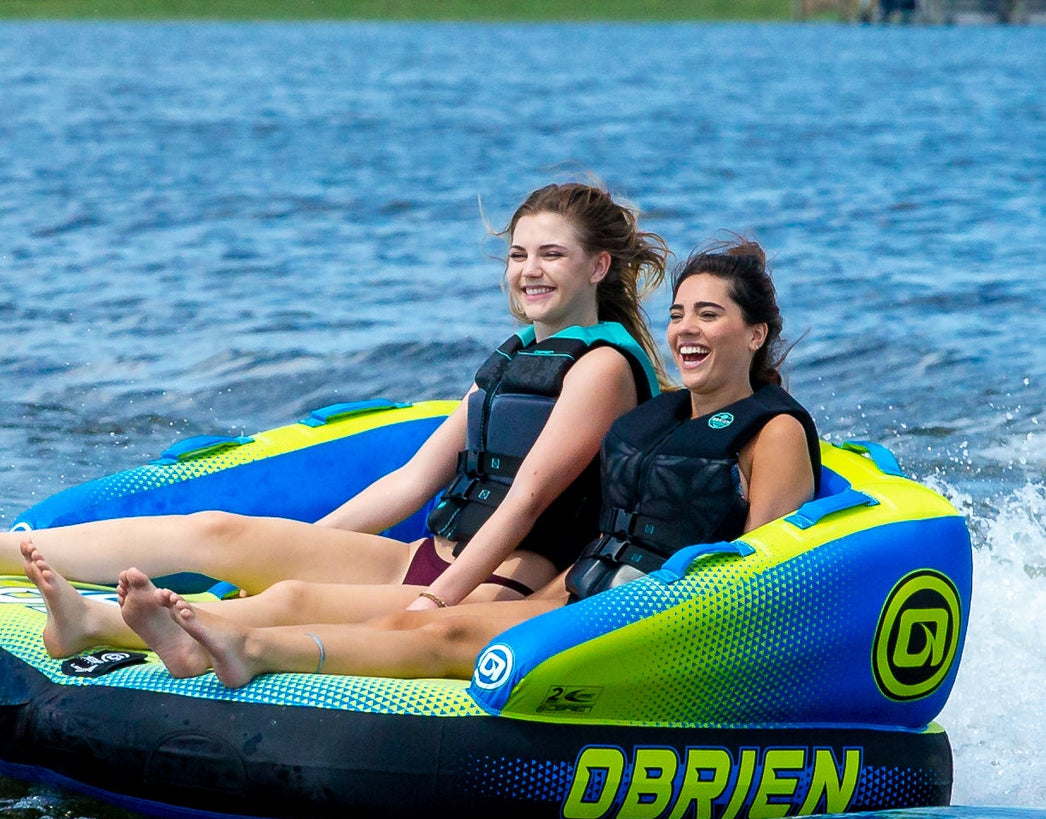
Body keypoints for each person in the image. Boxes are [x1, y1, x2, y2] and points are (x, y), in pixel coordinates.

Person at [0, 183, 668, 667]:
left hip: (499, 582)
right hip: (431, 554)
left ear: (600, 267)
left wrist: (439, 599)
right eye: (517, 255)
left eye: (551, 255)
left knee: (291, 604)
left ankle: (99, 625)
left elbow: (529, 501)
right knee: (221, 532)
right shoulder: (513, 360)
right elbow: (411, 480)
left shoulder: (603, 366)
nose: (529, 270)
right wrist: (293, 552)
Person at [111, 238, 821, 688]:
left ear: (755, 334)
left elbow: (761, 573)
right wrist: (543, 604)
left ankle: (248, 650)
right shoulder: (654, 420)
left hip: (654, 629)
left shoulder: (774, 431)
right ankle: (227, 644)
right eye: (678, 315)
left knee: (441, 632)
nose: (685, 330)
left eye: (709, 316)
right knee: (392, 621)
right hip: (582, 602)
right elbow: (607, 539)